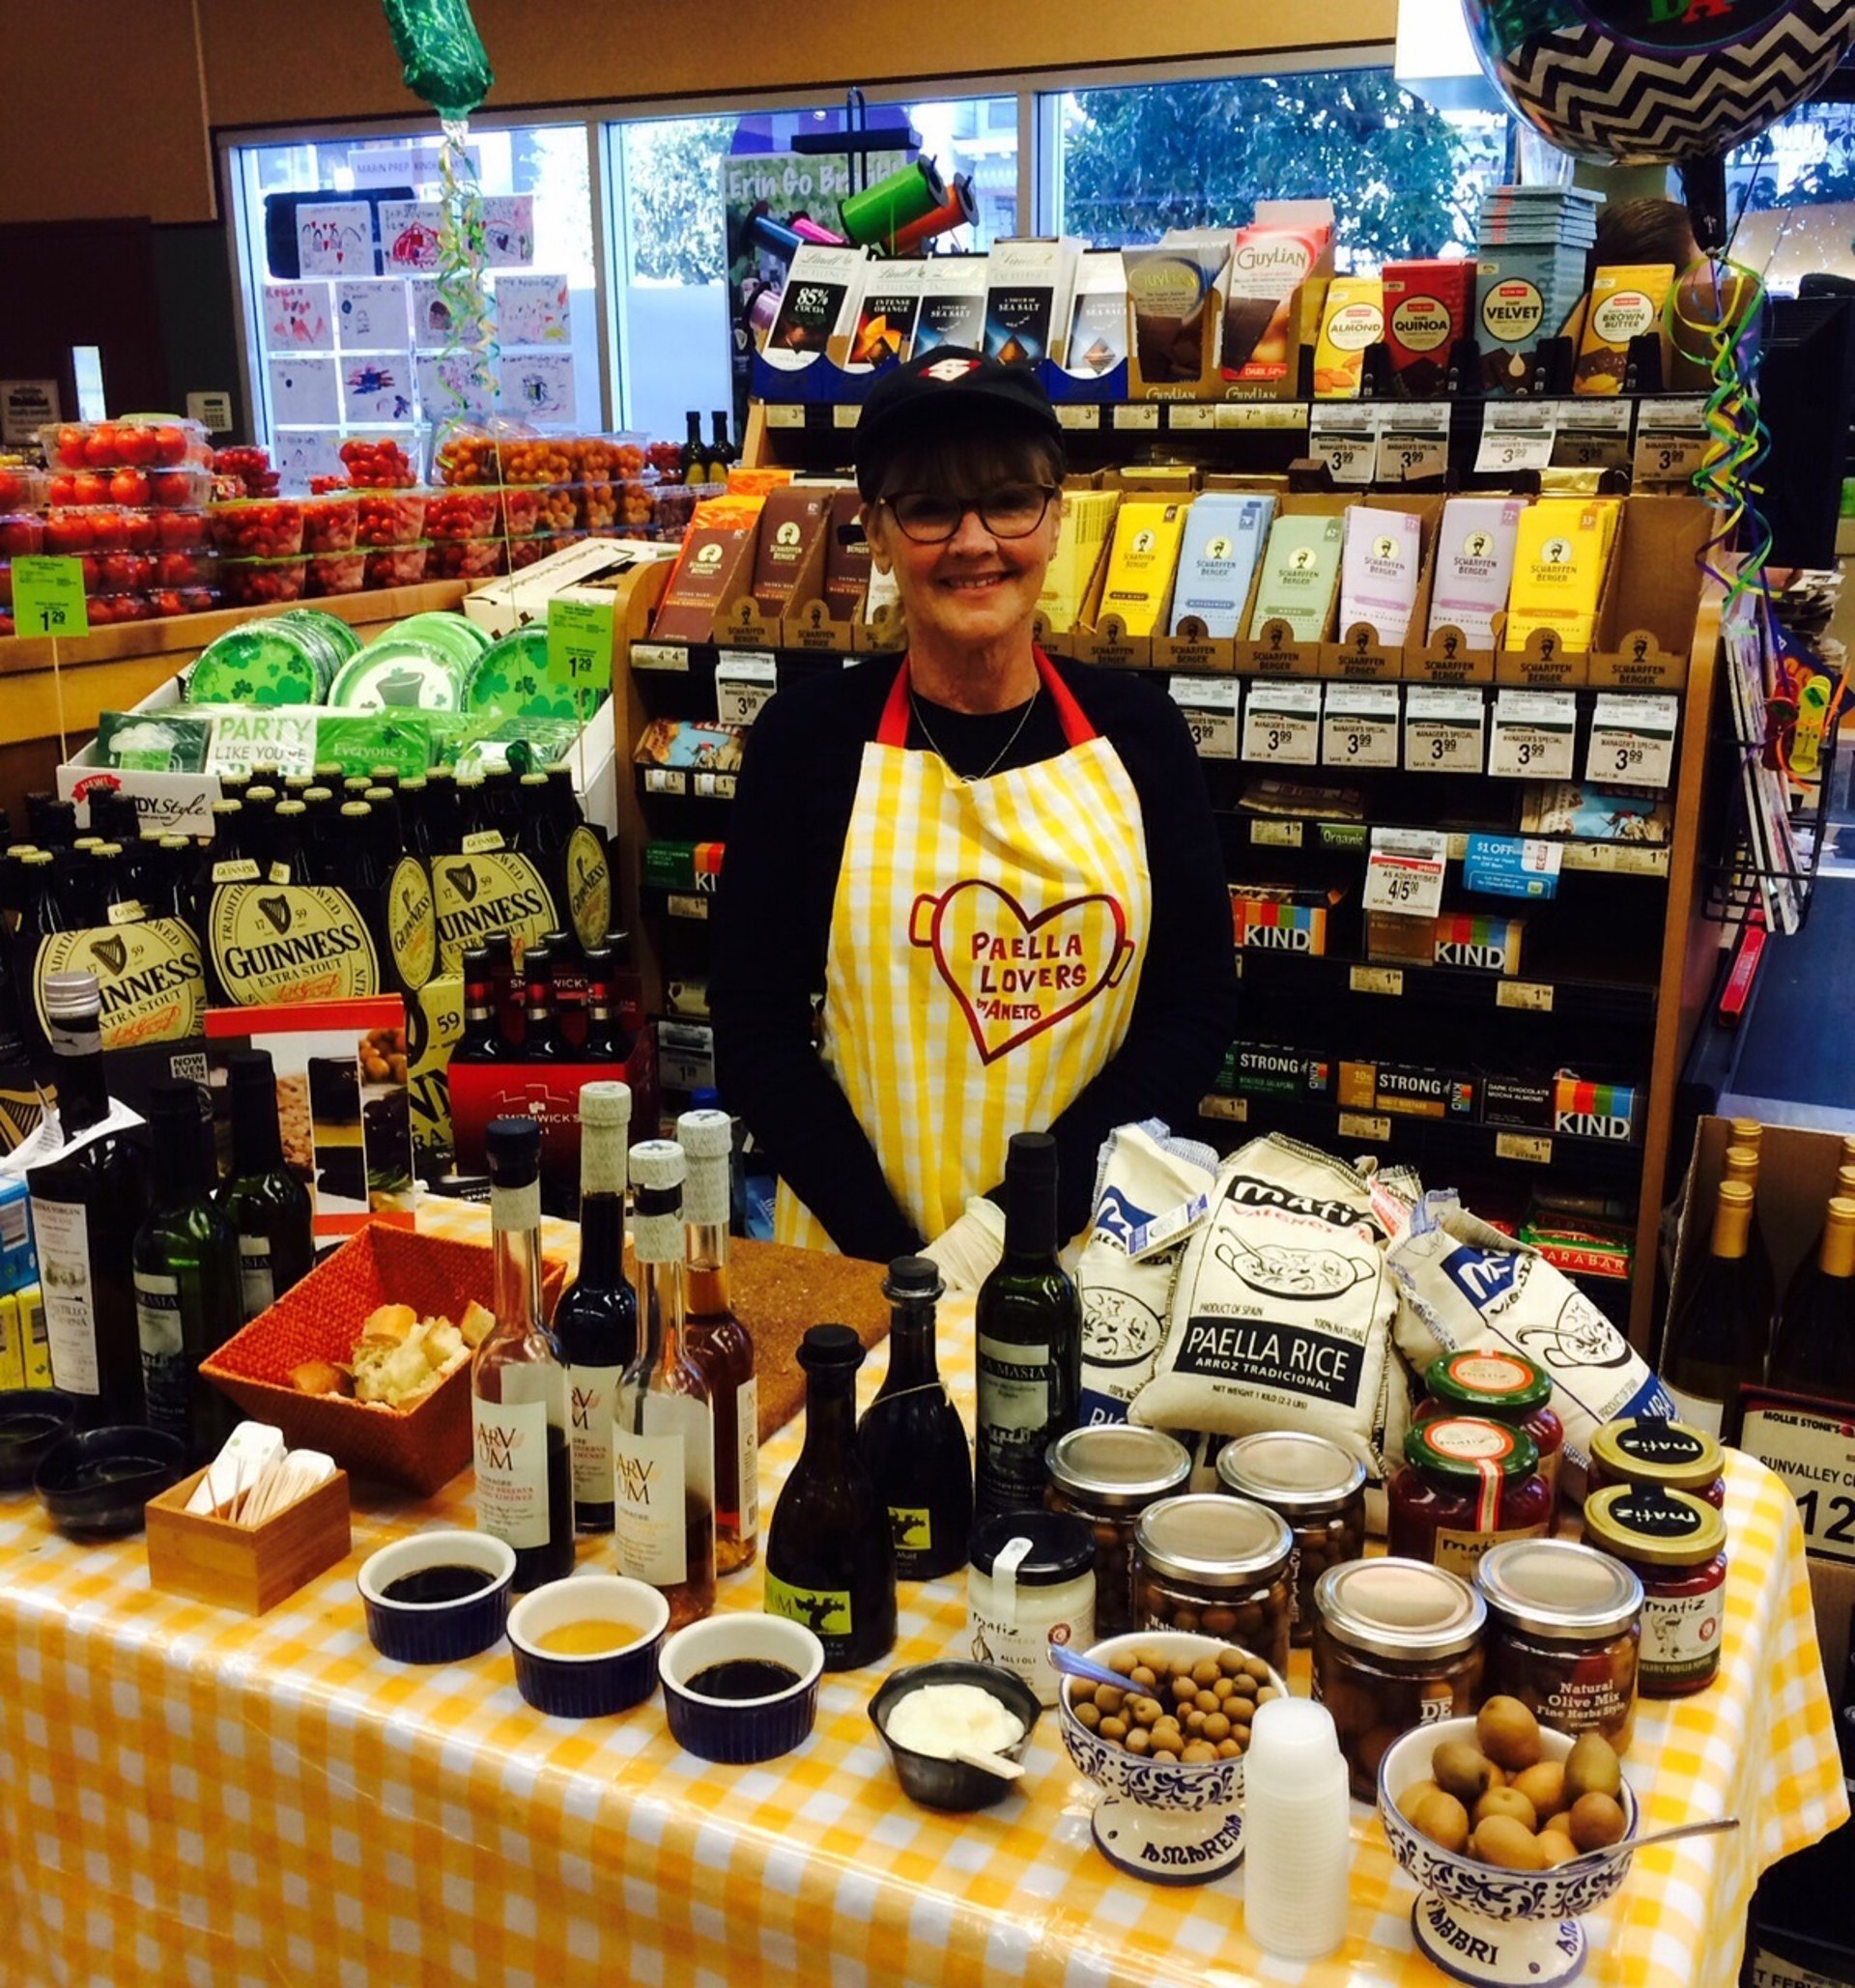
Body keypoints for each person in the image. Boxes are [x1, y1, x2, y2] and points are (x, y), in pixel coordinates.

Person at [709, 348, 1238, 1282]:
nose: (973, 541)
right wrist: (905, 1264)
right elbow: (756, 1034)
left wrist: (1006, 1229)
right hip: (858, 1270)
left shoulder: (1140, 736)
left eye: (1007, 501)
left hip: (1089, 1264)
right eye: (928, 508)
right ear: (876, 532)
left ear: (1056, 518)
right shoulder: (806, 741)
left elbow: (1191, 1016)